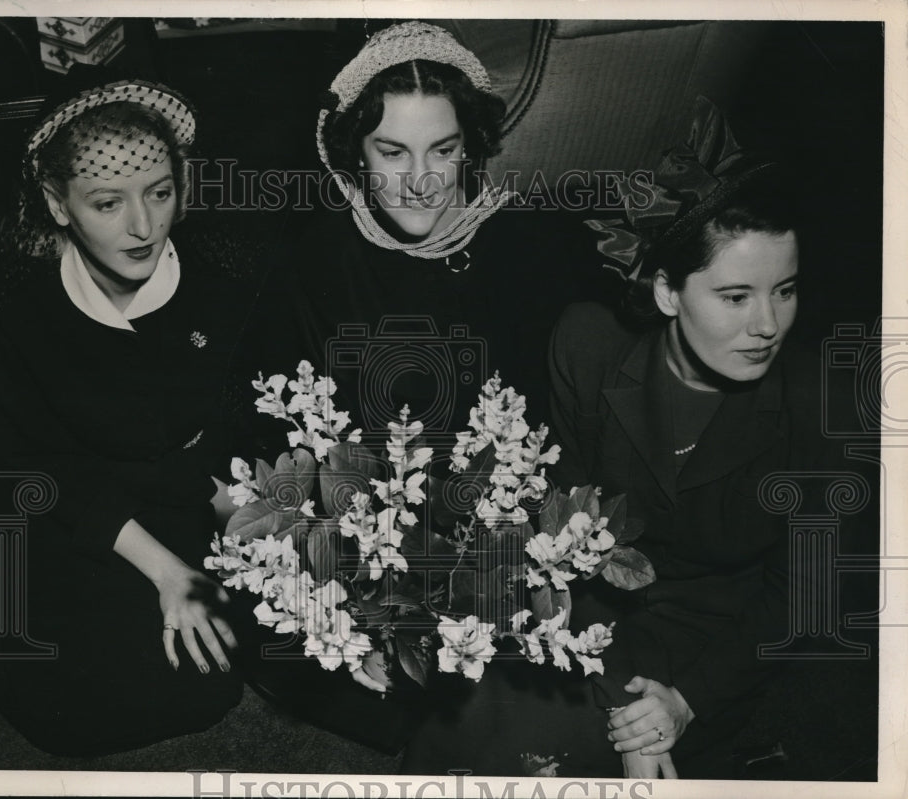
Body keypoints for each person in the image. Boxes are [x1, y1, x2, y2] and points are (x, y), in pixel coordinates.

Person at [401, 98, 827, 779]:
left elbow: (803, 593)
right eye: (736, 295)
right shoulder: (588, 343)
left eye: (787, 290)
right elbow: (569, 520)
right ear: (666, 292)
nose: (769, 324)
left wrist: (680, 706)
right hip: (589, 603)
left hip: (708, 643)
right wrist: (617, 690)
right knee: (460, 725)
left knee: (541, 757)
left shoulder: (814, 400)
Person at [225, 21, 609, 753]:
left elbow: (564, 429)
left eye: (444, 149)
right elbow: (274, 455)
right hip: (359, 536)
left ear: (471, 147)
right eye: (391, 151)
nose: (423, 180)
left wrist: (530, 550)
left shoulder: (531, 244)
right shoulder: (312, 263)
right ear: (351, 157)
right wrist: (360, 595)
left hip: (493, 532)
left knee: (525, 673)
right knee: (340, 665)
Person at [0, 66, 250, 756]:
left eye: (160, 193)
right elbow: (30, 462)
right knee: (66, 706)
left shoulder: (222, 273)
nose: (143, 225)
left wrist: (237, 515)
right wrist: (163, 570)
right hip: (61, 506)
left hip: (180, 497)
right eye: (108, 203)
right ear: (55, 202)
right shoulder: (5, 305)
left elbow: (232, 426)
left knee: (214, 679)